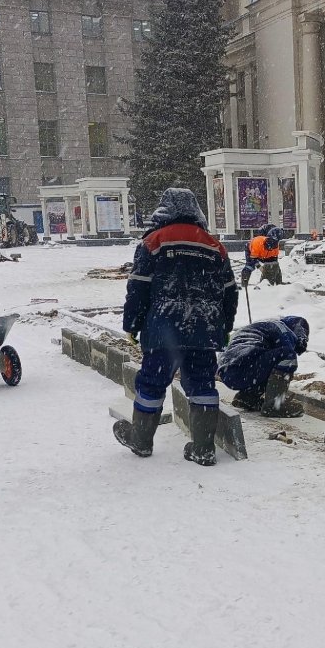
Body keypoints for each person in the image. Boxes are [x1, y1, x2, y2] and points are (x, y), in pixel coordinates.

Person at [115, 187, 239, 466]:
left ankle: (141, 440)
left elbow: (138, 288)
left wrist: (132, 325)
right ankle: (204, 447)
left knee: (152, 383)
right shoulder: (214, 245)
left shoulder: (154, 242)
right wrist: (225, 326)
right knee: (203, 384)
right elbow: (230, 291)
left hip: (164, 330)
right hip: (204, 331)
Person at [218, 316, 309, 417]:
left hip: (227, 371)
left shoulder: (260, 326)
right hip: (245, 365)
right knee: (288, 356)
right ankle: (275, 406)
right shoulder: (283, 328)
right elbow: (288, 351)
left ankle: (247, 397)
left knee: (269, 362)